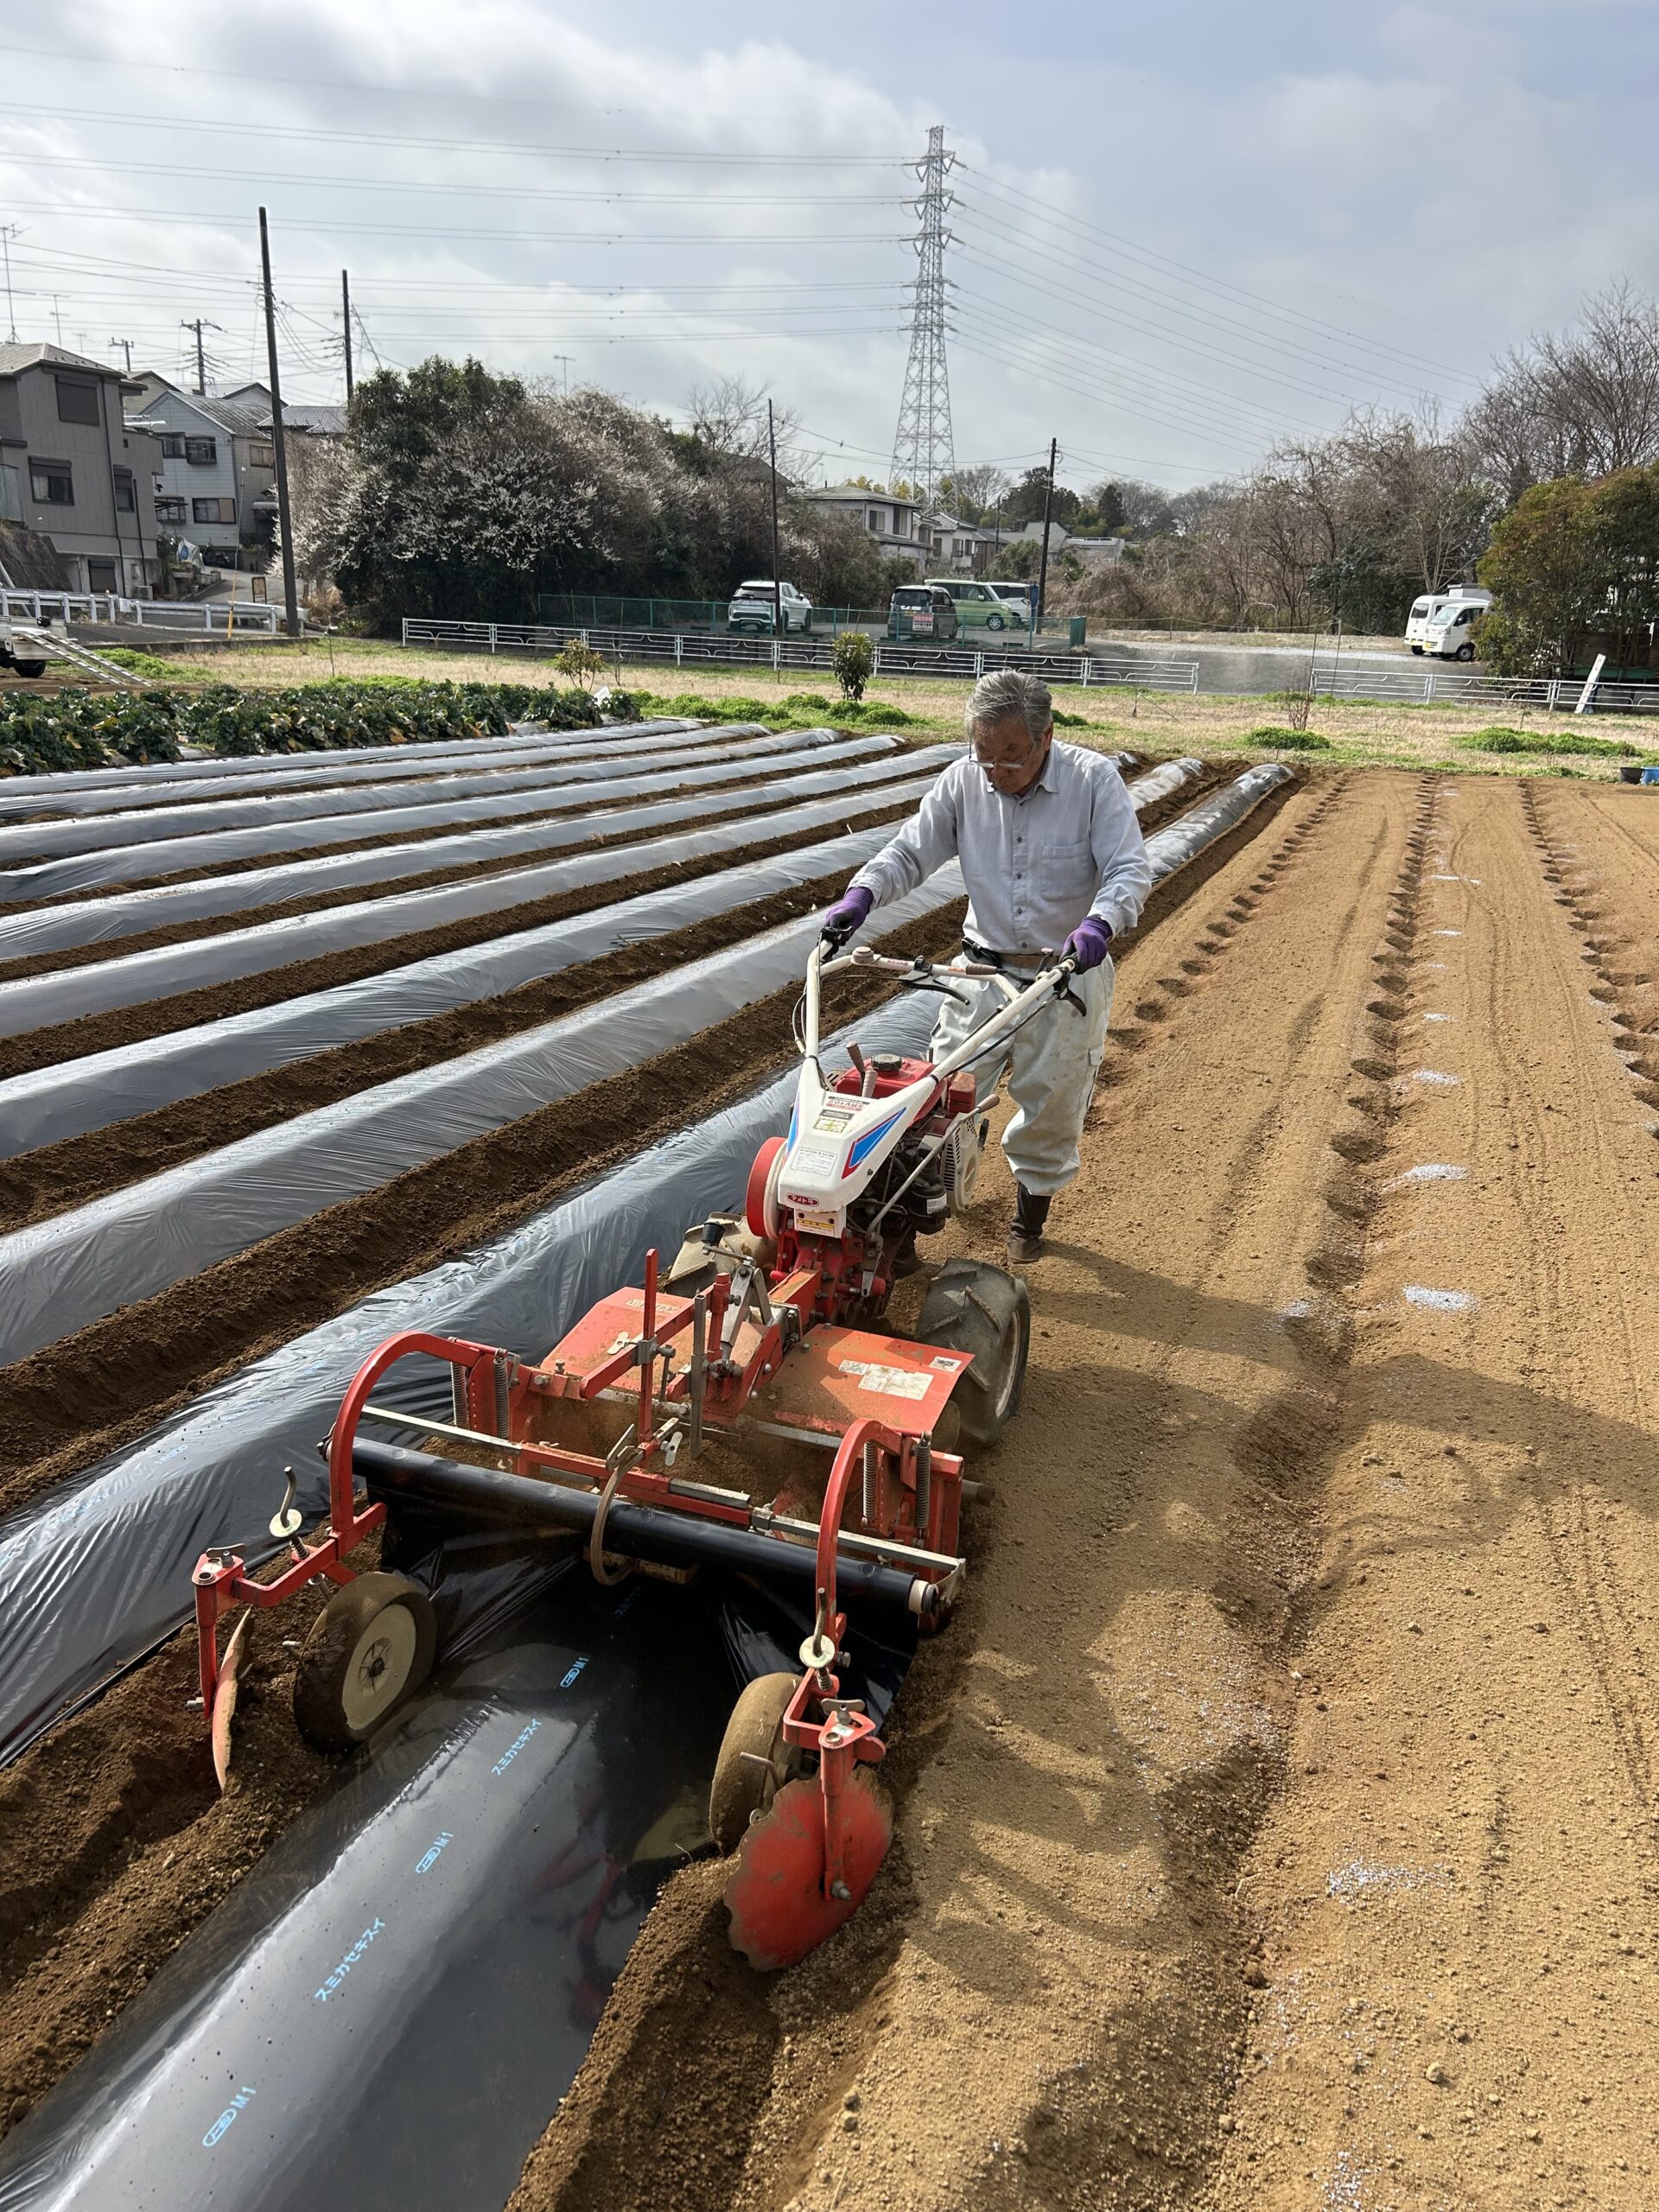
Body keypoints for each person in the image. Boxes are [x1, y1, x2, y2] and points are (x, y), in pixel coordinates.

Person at [819, 668, 1152, 1264]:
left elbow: (1128, 869)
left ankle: (1028, 1221)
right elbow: (911, 851)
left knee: (1050, 1103)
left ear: (1046, 737)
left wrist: (1100, 924)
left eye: (1011, 756)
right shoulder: (963, 783)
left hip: (1064, 973)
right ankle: (901, 1232)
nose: (996, 771)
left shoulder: (1093, 782)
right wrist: (863, 894)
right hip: (980, 970)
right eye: (984, 755)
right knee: (932, 1098)